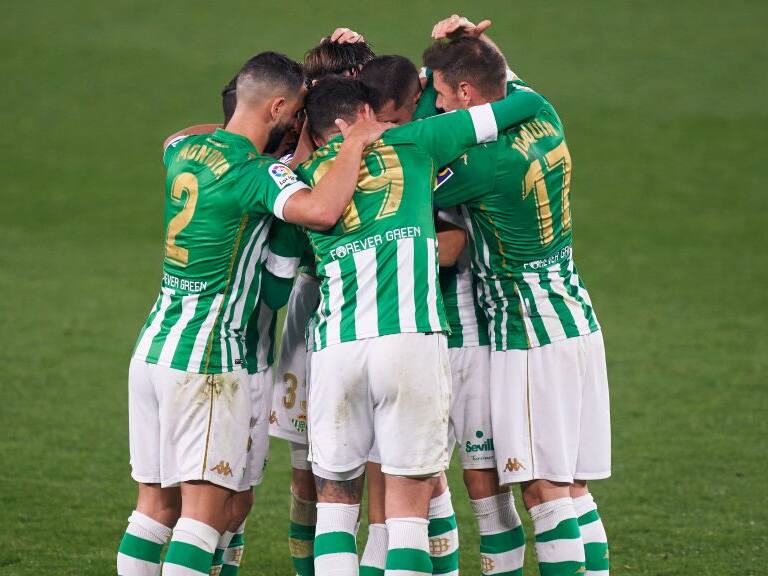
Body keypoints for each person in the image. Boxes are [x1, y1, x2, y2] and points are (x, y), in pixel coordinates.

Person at [115, 51, 391, 576]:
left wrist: (262, 110)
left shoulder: (185, 149)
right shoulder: (258, 176)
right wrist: (353, 140)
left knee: (154, 509)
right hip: (211, 360)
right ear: (281, 107)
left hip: (153, 349)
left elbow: (179, 135)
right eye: (293, 114)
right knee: (204, 517)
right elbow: (323, 210)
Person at [299, 75, 546, 576]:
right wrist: (448, 75)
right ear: (366, 115)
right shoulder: (416, 140)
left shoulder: (301, 177)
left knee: (335, 512)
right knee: (408, 513)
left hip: (335, 350)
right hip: (408, 344)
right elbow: (524, 105)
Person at [425, 16, 612, 576]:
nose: (435, 107)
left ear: (466, 93)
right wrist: (472, 43)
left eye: (439, 95)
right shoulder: (540, 111)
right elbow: (501, 75)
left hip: (527, 336)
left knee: (542, 490)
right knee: (572, 486)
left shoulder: (482, 166)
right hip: (576, 318)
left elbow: (409, 169)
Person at [264, 29, 377, 576]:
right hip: (314, 306)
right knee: (309, 467)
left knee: (379, 465)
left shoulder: (391, 132)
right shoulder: (292, 142)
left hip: (379, 306)